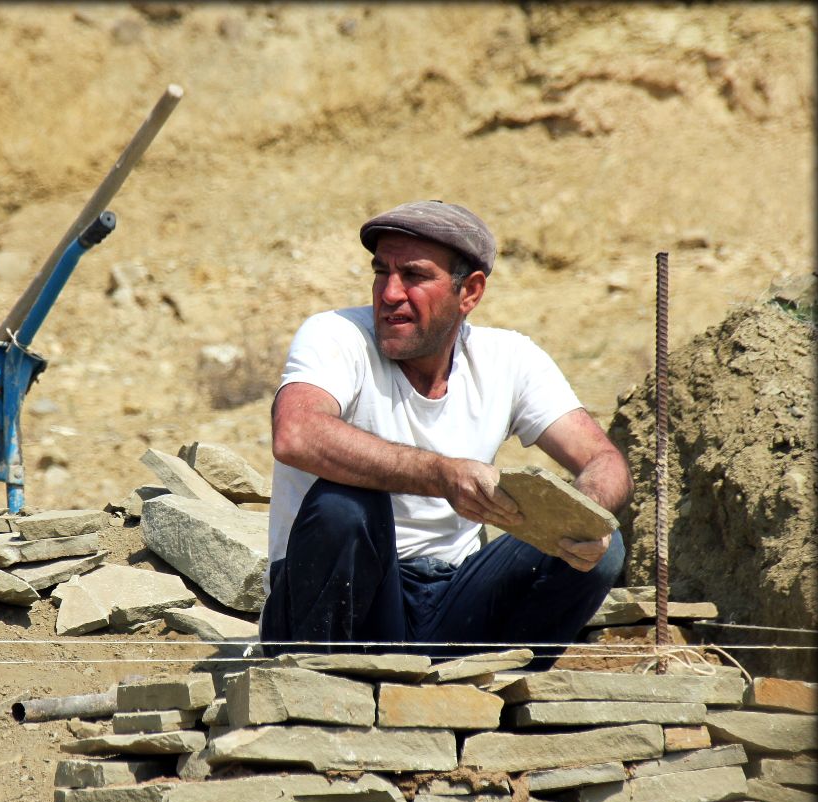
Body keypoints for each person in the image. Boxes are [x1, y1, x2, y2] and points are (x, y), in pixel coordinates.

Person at [261, 200, 632, 668]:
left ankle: (494, 706)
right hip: (347, 604)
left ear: (469, 291)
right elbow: (296, 432)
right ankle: (314, 695)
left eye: (413, 276)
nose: (390, 292)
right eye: (381, 272)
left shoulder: (510, 359)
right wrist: (441, 476)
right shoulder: (335, 336)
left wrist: (583, 513)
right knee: (346, 507)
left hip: (451, 604)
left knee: (600, 545)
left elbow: (605, 461)